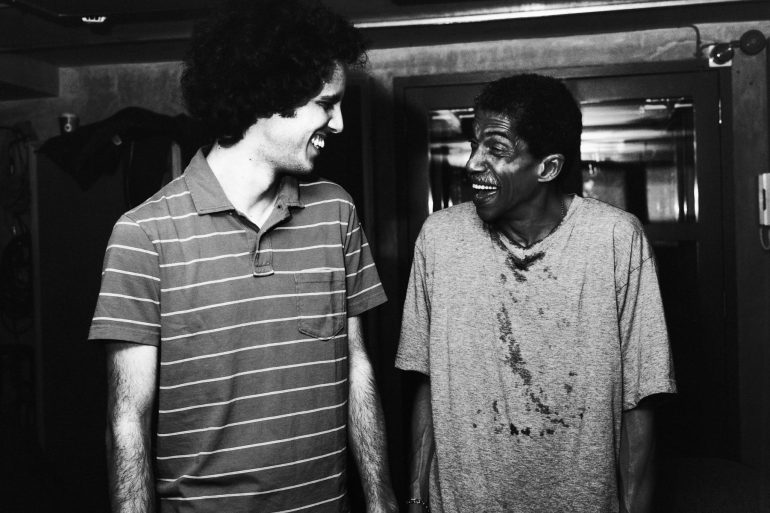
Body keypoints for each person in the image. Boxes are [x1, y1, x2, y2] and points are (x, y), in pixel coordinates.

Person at [89, 1, 397, 511]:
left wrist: (382, 498)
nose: (339, 123)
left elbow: (357, 364)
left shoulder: (335, 211)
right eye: (327, 103)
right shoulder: (143, 235)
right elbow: (127, 422)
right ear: (270, 96)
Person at [396, 73, 676, 513]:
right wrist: (415, 498)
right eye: (474, 145)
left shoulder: (616, 239)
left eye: (496, 149)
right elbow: (427, 382)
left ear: (548, 167)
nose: (473, 163)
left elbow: (639, 399)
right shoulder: (440, 238)